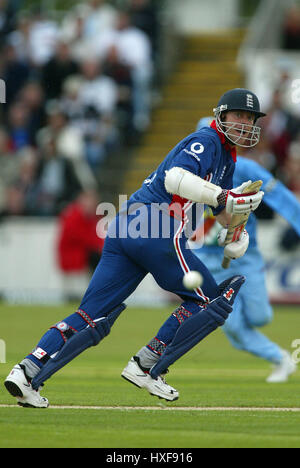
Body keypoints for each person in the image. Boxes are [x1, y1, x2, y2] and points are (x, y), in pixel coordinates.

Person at [4, 88, 266, 408]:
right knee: (211, 301)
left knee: (91, 317)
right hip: (156, 227)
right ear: (221, 115)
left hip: (126, 226)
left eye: (250, 118)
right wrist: (227, 198)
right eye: (238, 115)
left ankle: (27, 371)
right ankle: (145, 366)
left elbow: (221, 213)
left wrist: (237, 230)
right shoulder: (208, 140)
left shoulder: (227, 157)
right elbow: (176, 178)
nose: (244, 123)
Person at [191, 116, 300, 382]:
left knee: (260, 316)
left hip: (245, 254)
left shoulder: (246, 168)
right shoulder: (186, 171)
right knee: (234, 326)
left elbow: (280, 196)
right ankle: (280, 358)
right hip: (207, 259)